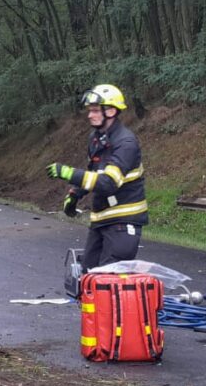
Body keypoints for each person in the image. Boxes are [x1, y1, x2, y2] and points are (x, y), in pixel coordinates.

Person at [45, 83, 148, 270]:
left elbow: (108, 183)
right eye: (89, 111)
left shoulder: (126, 143)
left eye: (94, 110)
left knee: (109, 280)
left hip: (123, 221)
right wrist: (75, 194)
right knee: (88, 275)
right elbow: (94, 172)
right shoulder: (96, 138)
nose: (89, 115)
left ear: (110, 111)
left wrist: (68, 173)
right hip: (101, 219)